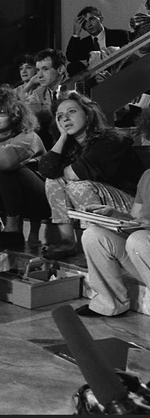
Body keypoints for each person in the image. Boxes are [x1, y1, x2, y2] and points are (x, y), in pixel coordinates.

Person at [38, 91, 145, 260]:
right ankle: (67, 241)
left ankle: (101, 242)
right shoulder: (69, 144)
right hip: (103, 202)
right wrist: (62, 137)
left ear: (88, 115)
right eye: (60, 116)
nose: (65, 118)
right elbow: (47, 170)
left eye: (72, 112)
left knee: (77, 184)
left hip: (132, 207)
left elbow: (77, 173)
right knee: (54, 180)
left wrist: (64, 171)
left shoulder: (111, 139)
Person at [76, 106, 150, 318]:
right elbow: (137, 219)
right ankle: (108, 304)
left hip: (144, 245)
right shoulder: (147, 176)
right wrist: (113, 214)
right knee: (94, 235)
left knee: (139, 239)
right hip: (144, 252)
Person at [0, 85, 49, 256]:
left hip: (39, 200)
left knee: (4, 168)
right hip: (10, 200)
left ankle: (13, 230)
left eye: (1, 112)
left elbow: (4, 162)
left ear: (15, 115)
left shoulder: (28, 137)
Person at [65, 6, 130, 78]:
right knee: (72, 66)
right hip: (93, 80)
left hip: (118, 74)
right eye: (85, 22)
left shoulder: (119, 34)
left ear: (101, 19)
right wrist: (76, 33)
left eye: (92, 19)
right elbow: (71, 57)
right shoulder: (84, 43)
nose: (89, 24)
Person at [29, 48, 67, 149]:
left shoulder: (73, 89)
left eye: (45, 69)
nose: (39, 75)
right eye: (38, 70)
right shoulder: (38, 93)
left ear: (60, 69)